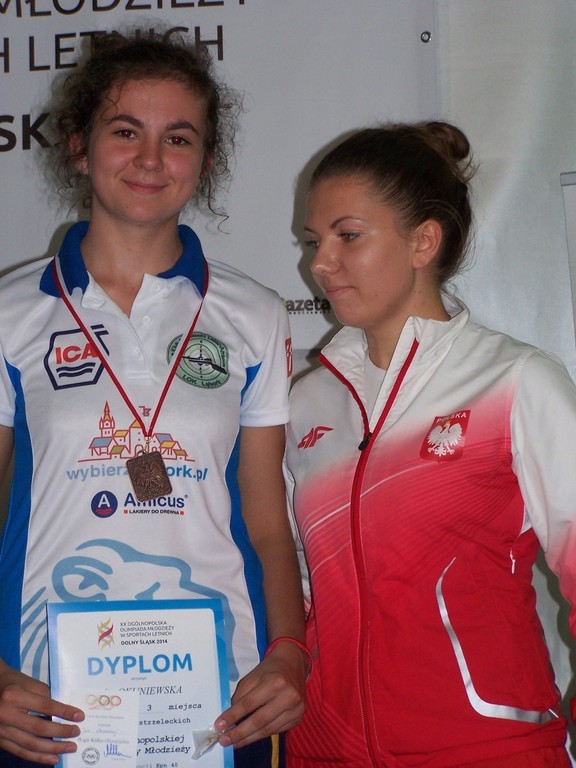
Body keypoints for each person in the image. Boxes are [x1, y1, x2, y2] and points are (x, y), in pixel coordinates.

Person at [0, 30, 308, 768]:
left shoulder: (253, 313)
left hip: (224, 697)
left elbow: (269, 525)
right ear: (79, 147)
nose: (149, 159)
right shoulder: (11, 312)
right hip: (41, 693)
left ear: (205, 160)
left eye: (177, 138)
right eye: (125, 131)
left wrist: (290, 655)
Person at [283, 121, 576, 768]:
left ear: (423, 241)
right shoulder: (306, 403)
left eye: (347, 236)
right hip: (326, 751)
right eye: (313, 241)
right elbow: (295, 588)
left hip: (487, 750)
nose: (319, 264)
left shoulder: (514, 382)